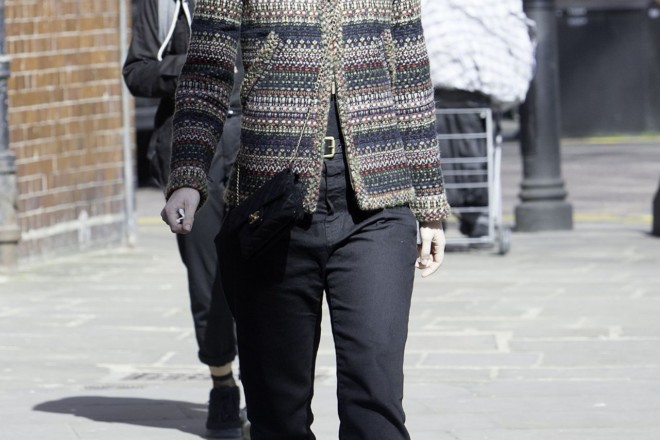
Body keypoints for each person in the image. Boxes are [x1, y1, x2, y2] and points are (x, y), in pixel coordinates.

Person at [161, 0, 450, 438]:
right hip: (272, 204)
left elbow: (411, 81)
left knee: (376, 397)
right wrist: (188, 174)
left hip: (378, 202)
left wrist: (430, 204)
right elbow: (206, 74)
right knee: (278, 412)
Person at [122, 0, 243, 437]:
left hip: (256, 140)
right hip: (189, 147)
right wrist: (198, 65)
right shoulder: (163, 5)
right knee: (207, 275)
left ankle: (271, 386)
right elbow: (137, 72)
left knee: (271, 271)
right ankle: (222, 383)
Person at [422, 0, 536, 237]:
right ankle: (476, 216)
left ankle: (438, 212)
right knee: (475, 152)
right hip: (475, 91)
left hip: (435, 87)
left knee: (434, 154)